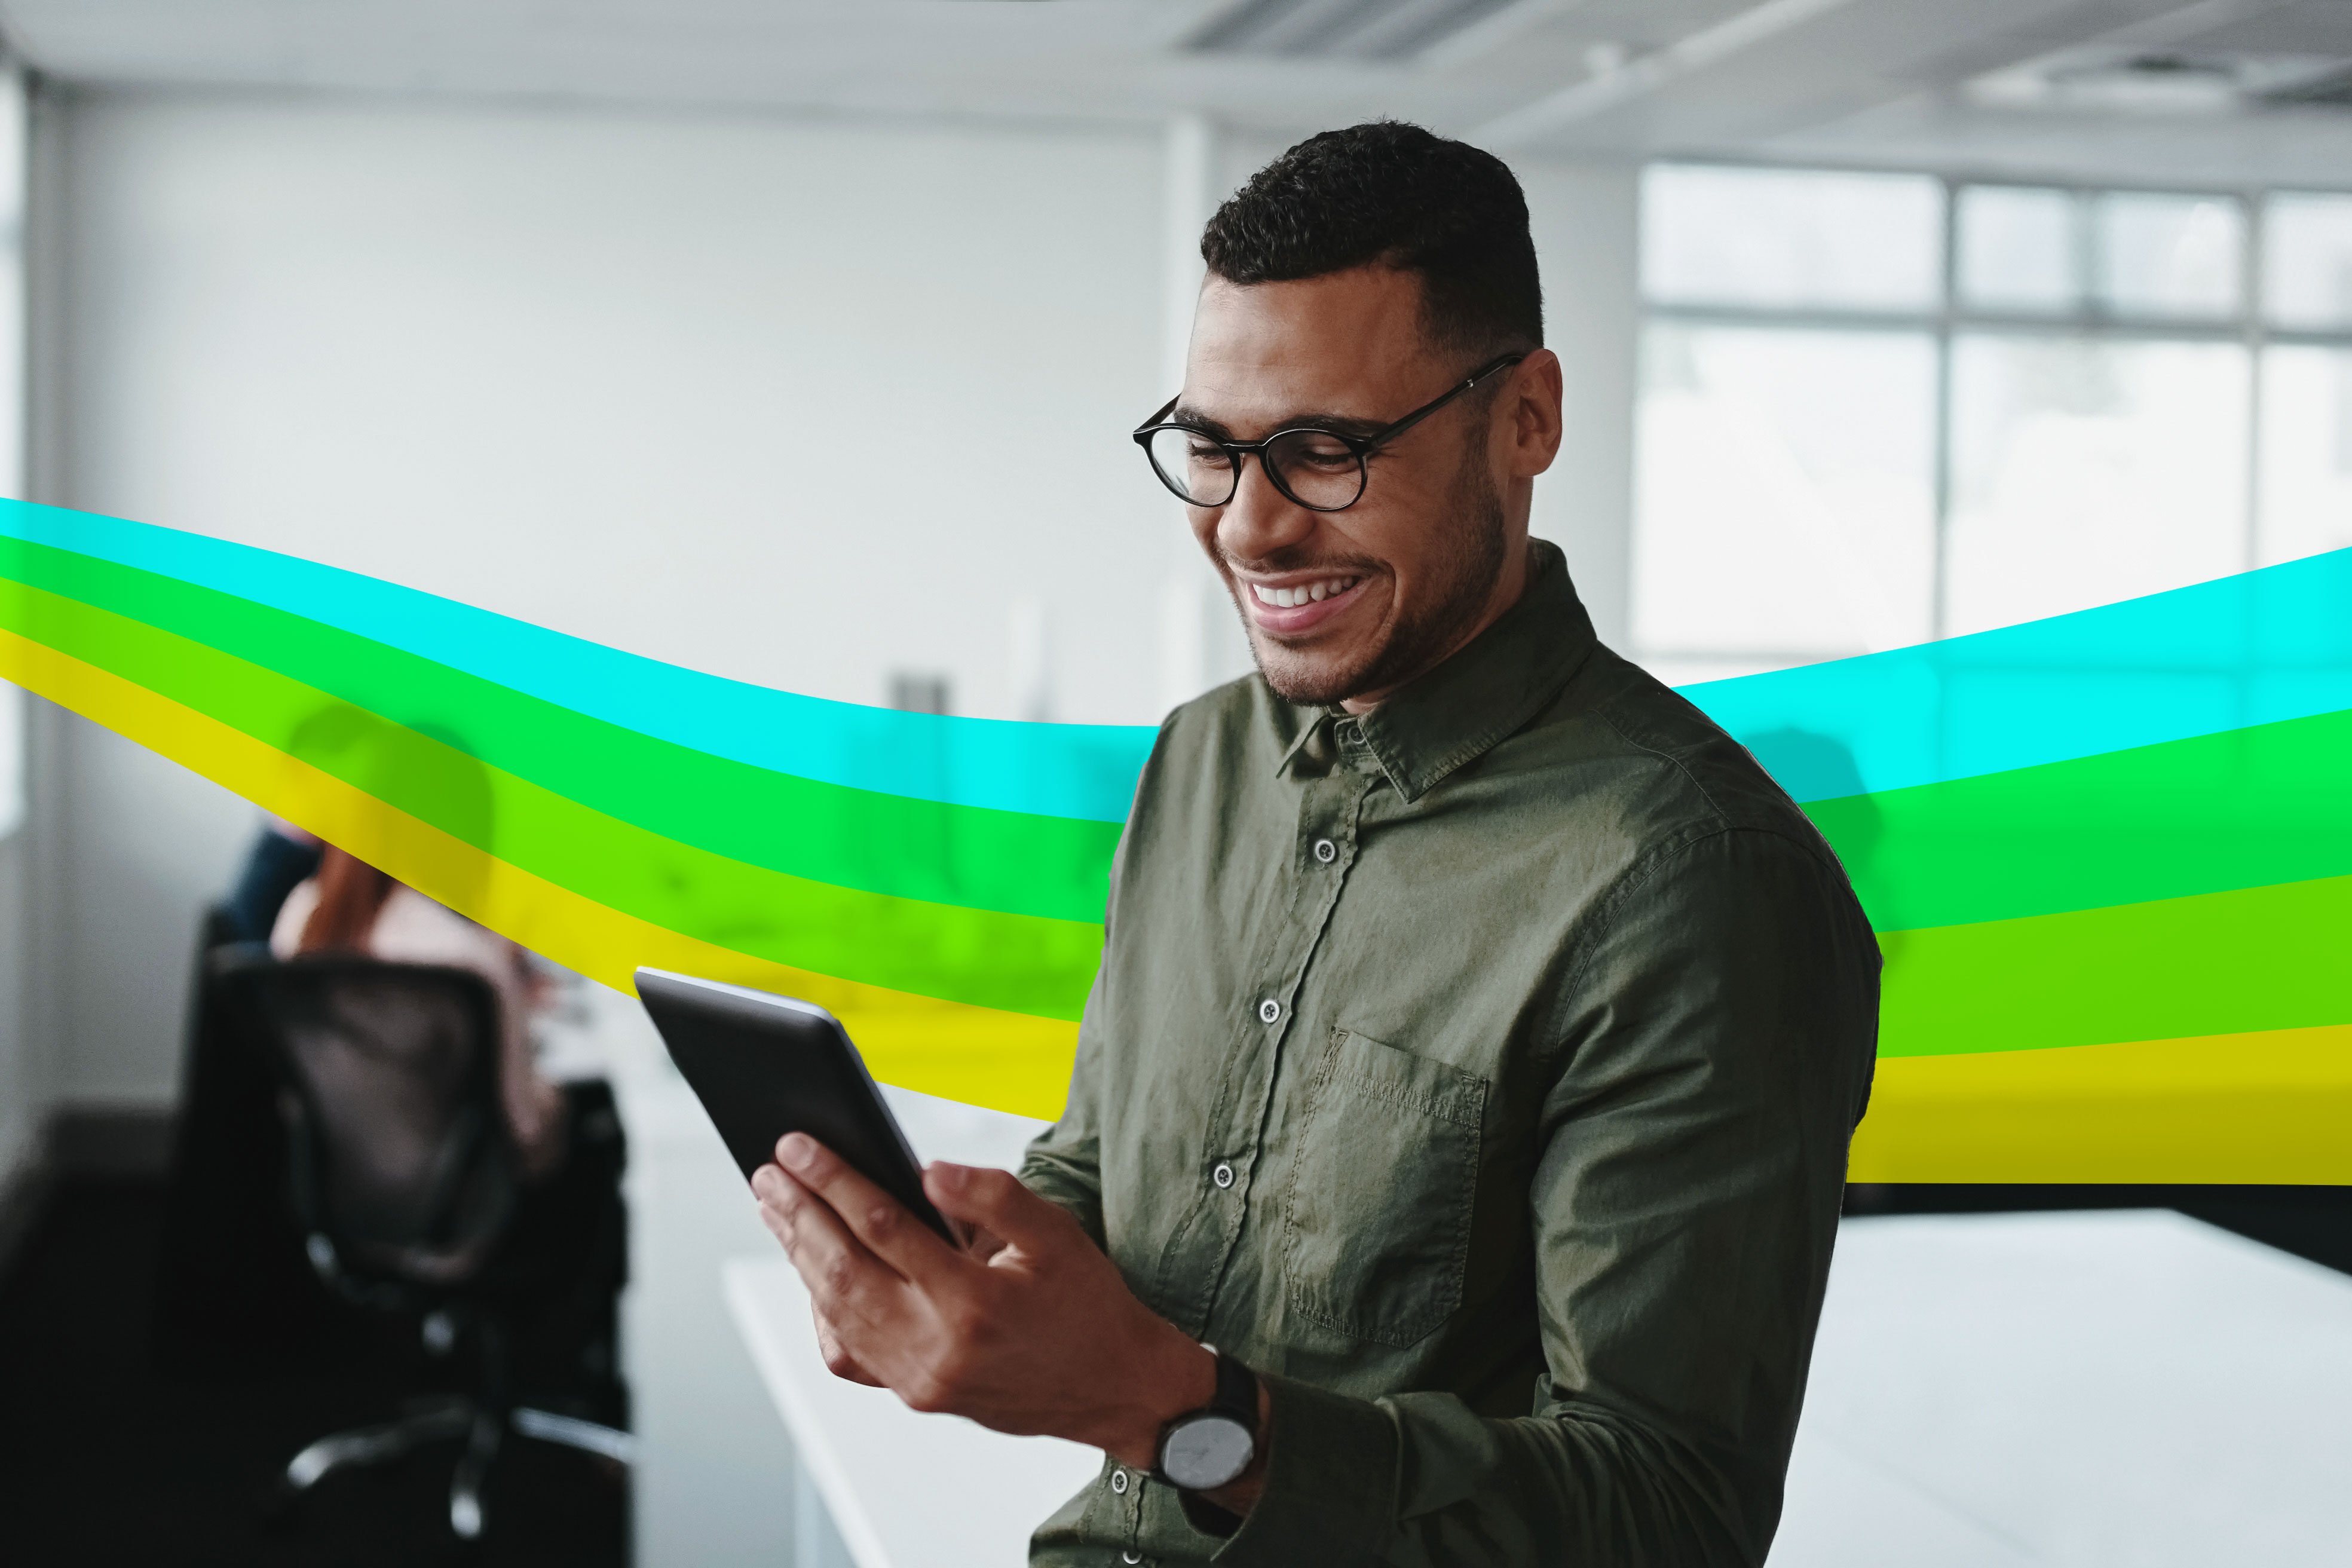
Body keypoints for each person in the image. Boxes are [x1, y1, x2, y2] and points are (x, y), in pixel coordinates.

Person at [749, 121, 1880, 1566]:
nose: (1250, 526)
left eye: (1326, 451)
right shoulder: (1198, 758)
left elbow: (1667, 1515)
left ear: (1525, 416)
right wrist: (949, 1264)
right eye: (1212, 451)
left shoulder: (1691, 880)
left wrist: (1179, 1412)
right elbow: (1106, 1181)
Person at [271, 844, 568, 1177]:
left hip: (335, 1178)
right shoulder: (467, 955)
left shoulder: (299, 915)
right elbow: (526, 1130)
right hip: (455, 1194)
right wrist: (554, 1096)